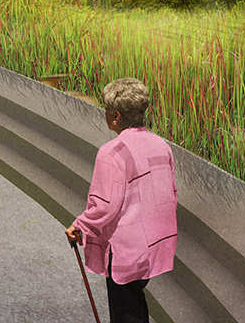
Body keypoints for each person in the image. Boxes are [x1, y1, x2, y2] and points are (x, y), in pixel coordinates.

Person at [65, 78, 178, 323]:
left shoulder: (111, 152)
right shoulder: (162, 146)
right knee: (135, 302)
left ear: (115, 116)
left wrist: (80, 225)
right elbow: (170, 195)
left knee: (125, 312)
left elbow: (105, 206)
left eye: (106, 108)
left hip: (125, 250)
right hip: (153, 245)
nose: (104, 113)